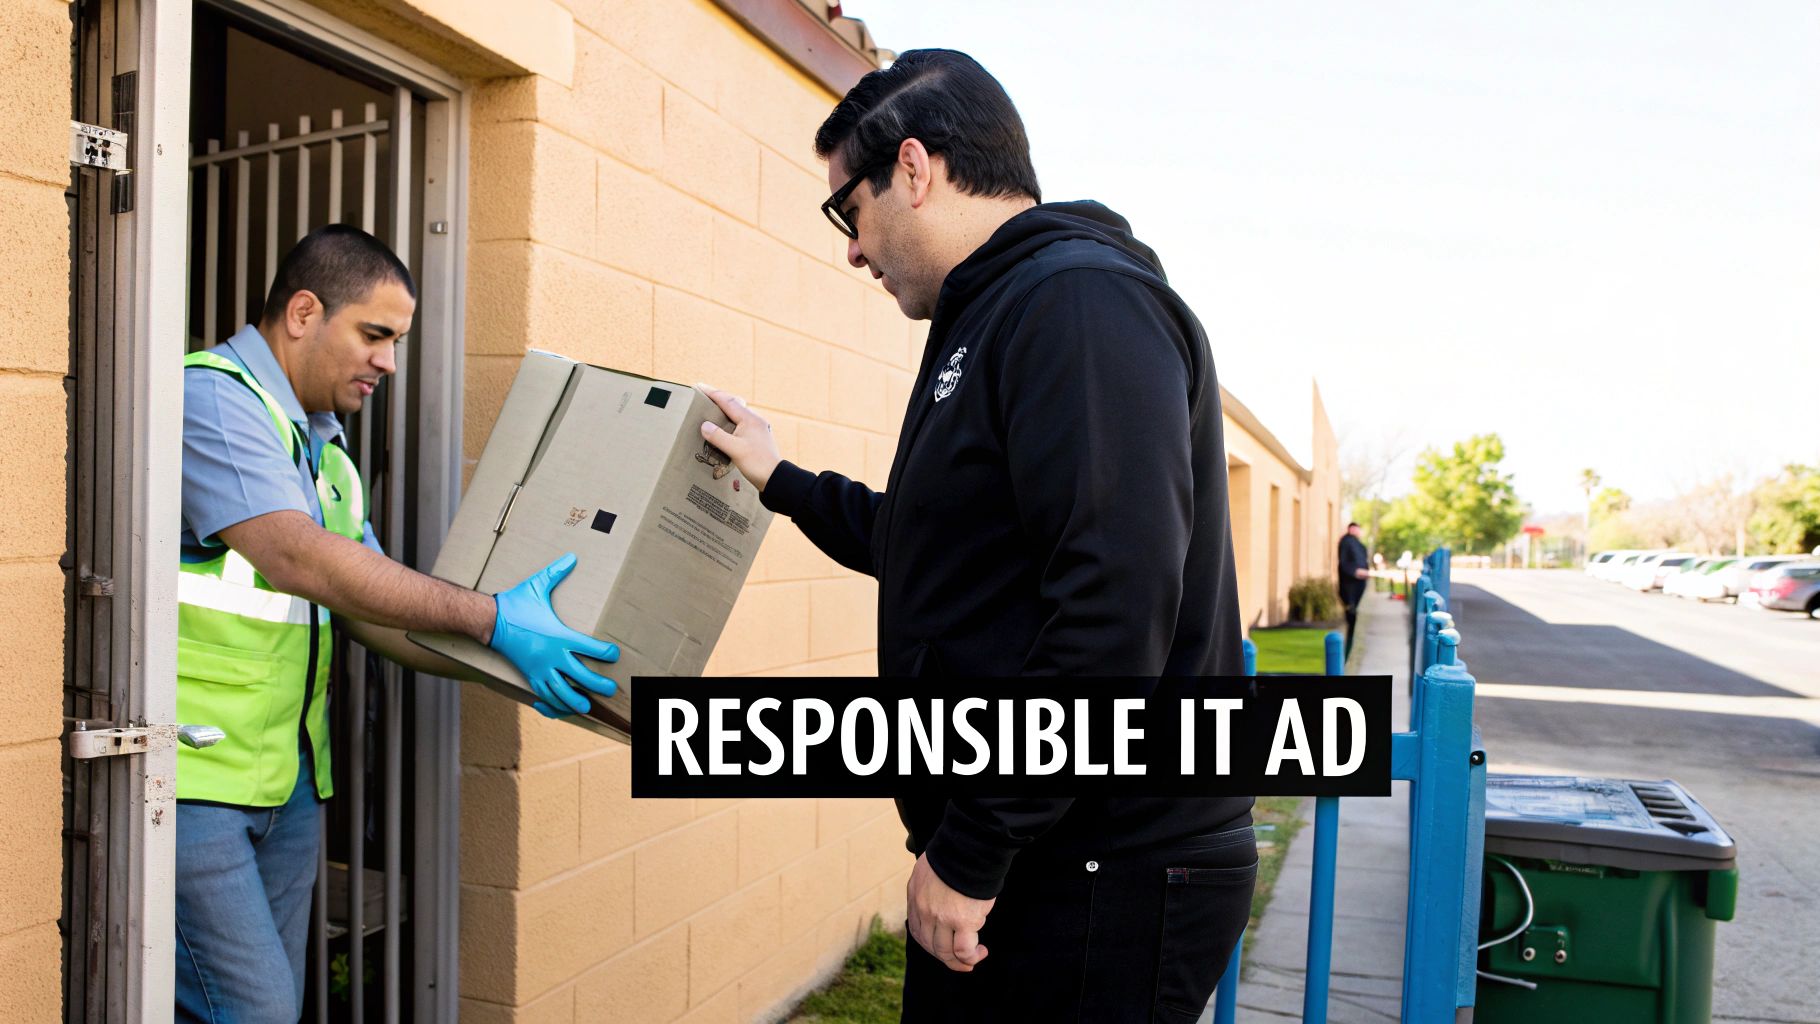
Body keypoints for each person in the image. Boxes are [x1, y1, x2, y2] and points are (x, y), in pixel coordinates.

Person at [699, 49, 1251, 1023]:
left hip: (1097, 863)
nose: (852, 251)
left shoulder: (1078, 304)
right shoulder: (993, 314)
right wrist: (779, 478)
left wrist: (973, 846)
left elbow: (1114, 606)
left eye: (847, 210)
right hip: (1033, 849)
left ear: (914, 169)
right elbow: (933, 551)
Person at [176, 225, 618, 1022]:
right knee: (255, 1011)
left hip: (288, 786)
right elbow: (297, 558)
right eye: (374, 334)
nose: (388, 361)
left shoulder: (328, 456)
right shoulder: (210, 397)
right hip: (192, 783)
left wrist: (515, 659)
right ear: (303, 313)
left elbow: (371, 611)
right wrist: (490, 618)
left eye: (397, 342)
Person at [1338, 522, 1371, 657]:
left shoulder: (1357, 543)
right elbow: (1343, 563)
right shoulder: (1346, 542)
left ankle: (1350, 642)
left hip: (1359, 583)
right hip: (1350, 584)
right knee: (1350, 612)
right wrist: (1355, 571)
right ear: (1351, 529)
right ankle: (1348, 647)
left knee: (1354, 612)